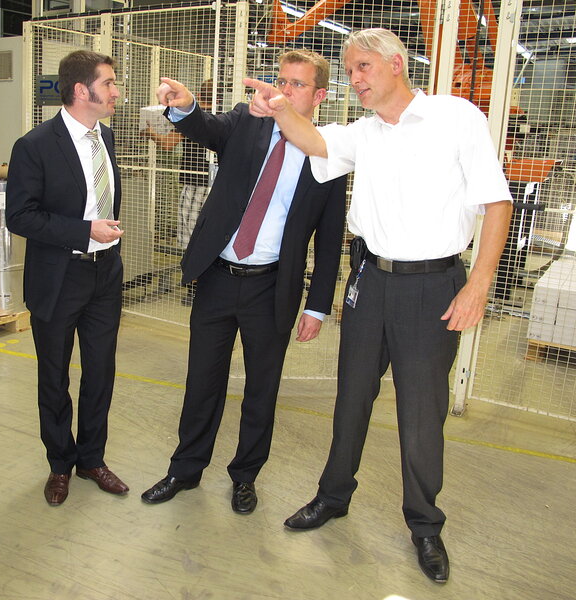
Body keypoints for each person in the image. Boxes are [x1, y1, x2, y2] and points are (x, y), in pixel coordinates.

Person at [246, 28, 513, 584]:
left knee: (421, 413)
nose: (354, 79)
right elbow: (313, 141)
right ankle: (333, 495)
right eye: (349, 71)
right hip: (370, 280)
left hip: (433, 287)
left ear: (395, 64)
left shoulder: (455, 117)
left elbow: (496, 203)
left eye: (362, 67)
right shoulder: (362, 133)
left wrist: (478, 284)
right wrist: (279, 108)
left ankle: (425, 525)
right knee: (351, 398)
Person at [141, 50, 347, 514]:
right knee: (202, 381)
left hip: (271, 287)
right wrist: (186, 106)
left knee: (261, 390)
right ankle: (185, 469)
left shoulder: (327, 153)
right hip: (218, 277)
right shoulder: (247, 121)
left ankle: (245, 476)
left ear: (319, 96)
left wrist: (317, 306)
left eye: (297, 84)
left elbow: (331, 238)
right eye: (282, 80)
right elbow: (207, 128)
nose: (285, 90)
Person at [6, 50, 128, 507]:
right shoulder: (35, 145)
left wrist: (102, 241)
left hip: (105, 274)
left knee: (101, 372)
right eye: (109, 83)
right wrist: (83, 231)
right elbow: (20, 216)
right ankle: (60, 463)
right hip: (59, 277)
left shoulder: (106, 137)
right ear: (81, 90)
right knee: (54, 376)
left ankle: (92, 459)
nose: (116, 91)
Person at [142, 79, 216, 305]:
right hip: (217, 184)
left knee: (190, 236)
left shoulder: (191, 117)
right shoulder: (223, 116)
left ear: (198, 95)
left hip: (196, 183)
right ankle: (208, 285)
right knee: (211, 234)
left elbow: (168, 144)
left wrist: (149, 132)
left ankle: (195, 286)